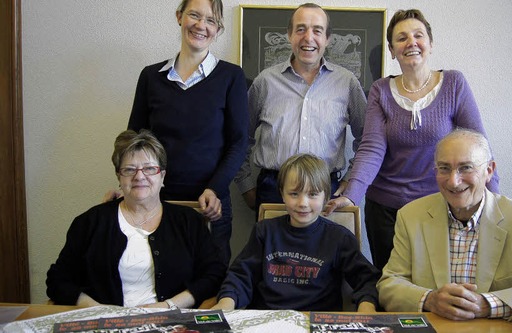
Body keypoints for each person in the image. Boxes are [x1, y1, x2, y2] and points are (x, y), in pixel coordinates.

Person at [326, 9, 499, 271]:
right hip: (385, 208)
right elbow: (372, 147)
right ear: (392, 50)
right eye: (401, 38)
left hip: (440, 205)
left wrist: (494, 200)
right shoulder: (380, 90)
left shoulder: (454, 83)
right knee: (391, 286)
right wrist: (352, 195)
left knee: (437, 282)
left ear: (430, 44)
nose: (411, 43)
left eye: (418, 35)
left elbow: (479, 146)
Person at [377, 129, 512, 320]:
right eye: (444, 168)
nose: (453, 181)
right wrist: (430, 299)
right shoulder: (411, 216)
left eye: (465, 168)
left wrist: (489, 305)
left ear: (489, 170)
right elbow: (388, 285)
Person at [126, 0, 248, 268]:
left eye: (211, 20)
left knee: (211, 283)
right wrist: (127, 184)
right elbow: (133, 140)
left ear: (218, 29)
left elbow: (239, 143)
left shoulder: (231, 77)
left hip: (210, 203)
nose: (201, 25)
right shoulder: (151, 77)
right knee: (157, 276)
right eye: (194, 15)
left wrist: (215, 189)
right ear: (179, 16)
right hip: (156, 200)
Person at [46, 130, 226, 308]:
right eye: (129, 169)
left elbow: (214, 275)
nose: (139, 176)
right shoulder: (90, 222)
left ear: (162, 176)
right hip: (105, 324)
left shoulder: (189, 221)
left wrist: (169, 306)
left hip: (171, 322)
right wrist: (96, 310)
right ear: (119, 177)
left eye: (149, 168)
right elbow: (58, 280)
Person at [234, 3, 366, 213]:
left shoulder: (347, 83)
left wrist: (351, 182)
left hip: (325, 192)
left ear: (328, 39)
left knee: (322, 247)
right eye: (301, 29)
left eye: (317, 30)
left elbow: (366, 141)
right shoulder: (265, 82)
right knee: (273, 247)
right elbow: (240, 138)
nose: (308, 37)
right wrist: (246, 186)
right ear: (289, 35)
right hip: (272, 190)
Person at [214, 154, 380, 311]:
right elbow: (241, 276)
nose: (303, 203)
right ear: (282, 194)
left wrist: (367, 308)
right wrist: (226, 303)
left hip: (317, 321)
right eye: (294, 194)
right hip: (268, 319)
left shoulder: (339, 238)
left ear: (326, 196)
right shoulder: (264, 231)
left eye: (313, 194)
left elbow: (367, 280)